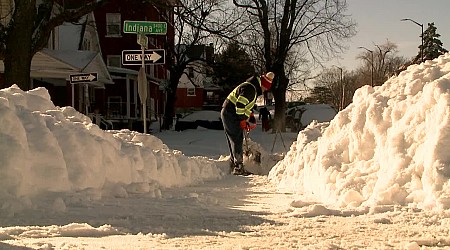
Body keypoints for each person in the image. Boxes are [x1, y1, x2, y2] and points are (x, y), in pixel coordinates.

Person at [221, 71, 274, 175]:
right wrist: (242, 120)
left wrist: (248, 115)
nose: (264, 91)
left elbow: (245, 105)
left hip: (231, 113)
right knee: (236, 139)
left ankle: (235, 163)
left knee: (236, 138)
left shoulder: (251, 88)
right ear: (262, 85)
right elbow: (240, 105)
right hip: (230, 113)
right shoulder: (250, 88)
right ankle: (238, 167)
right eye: (265, 89)